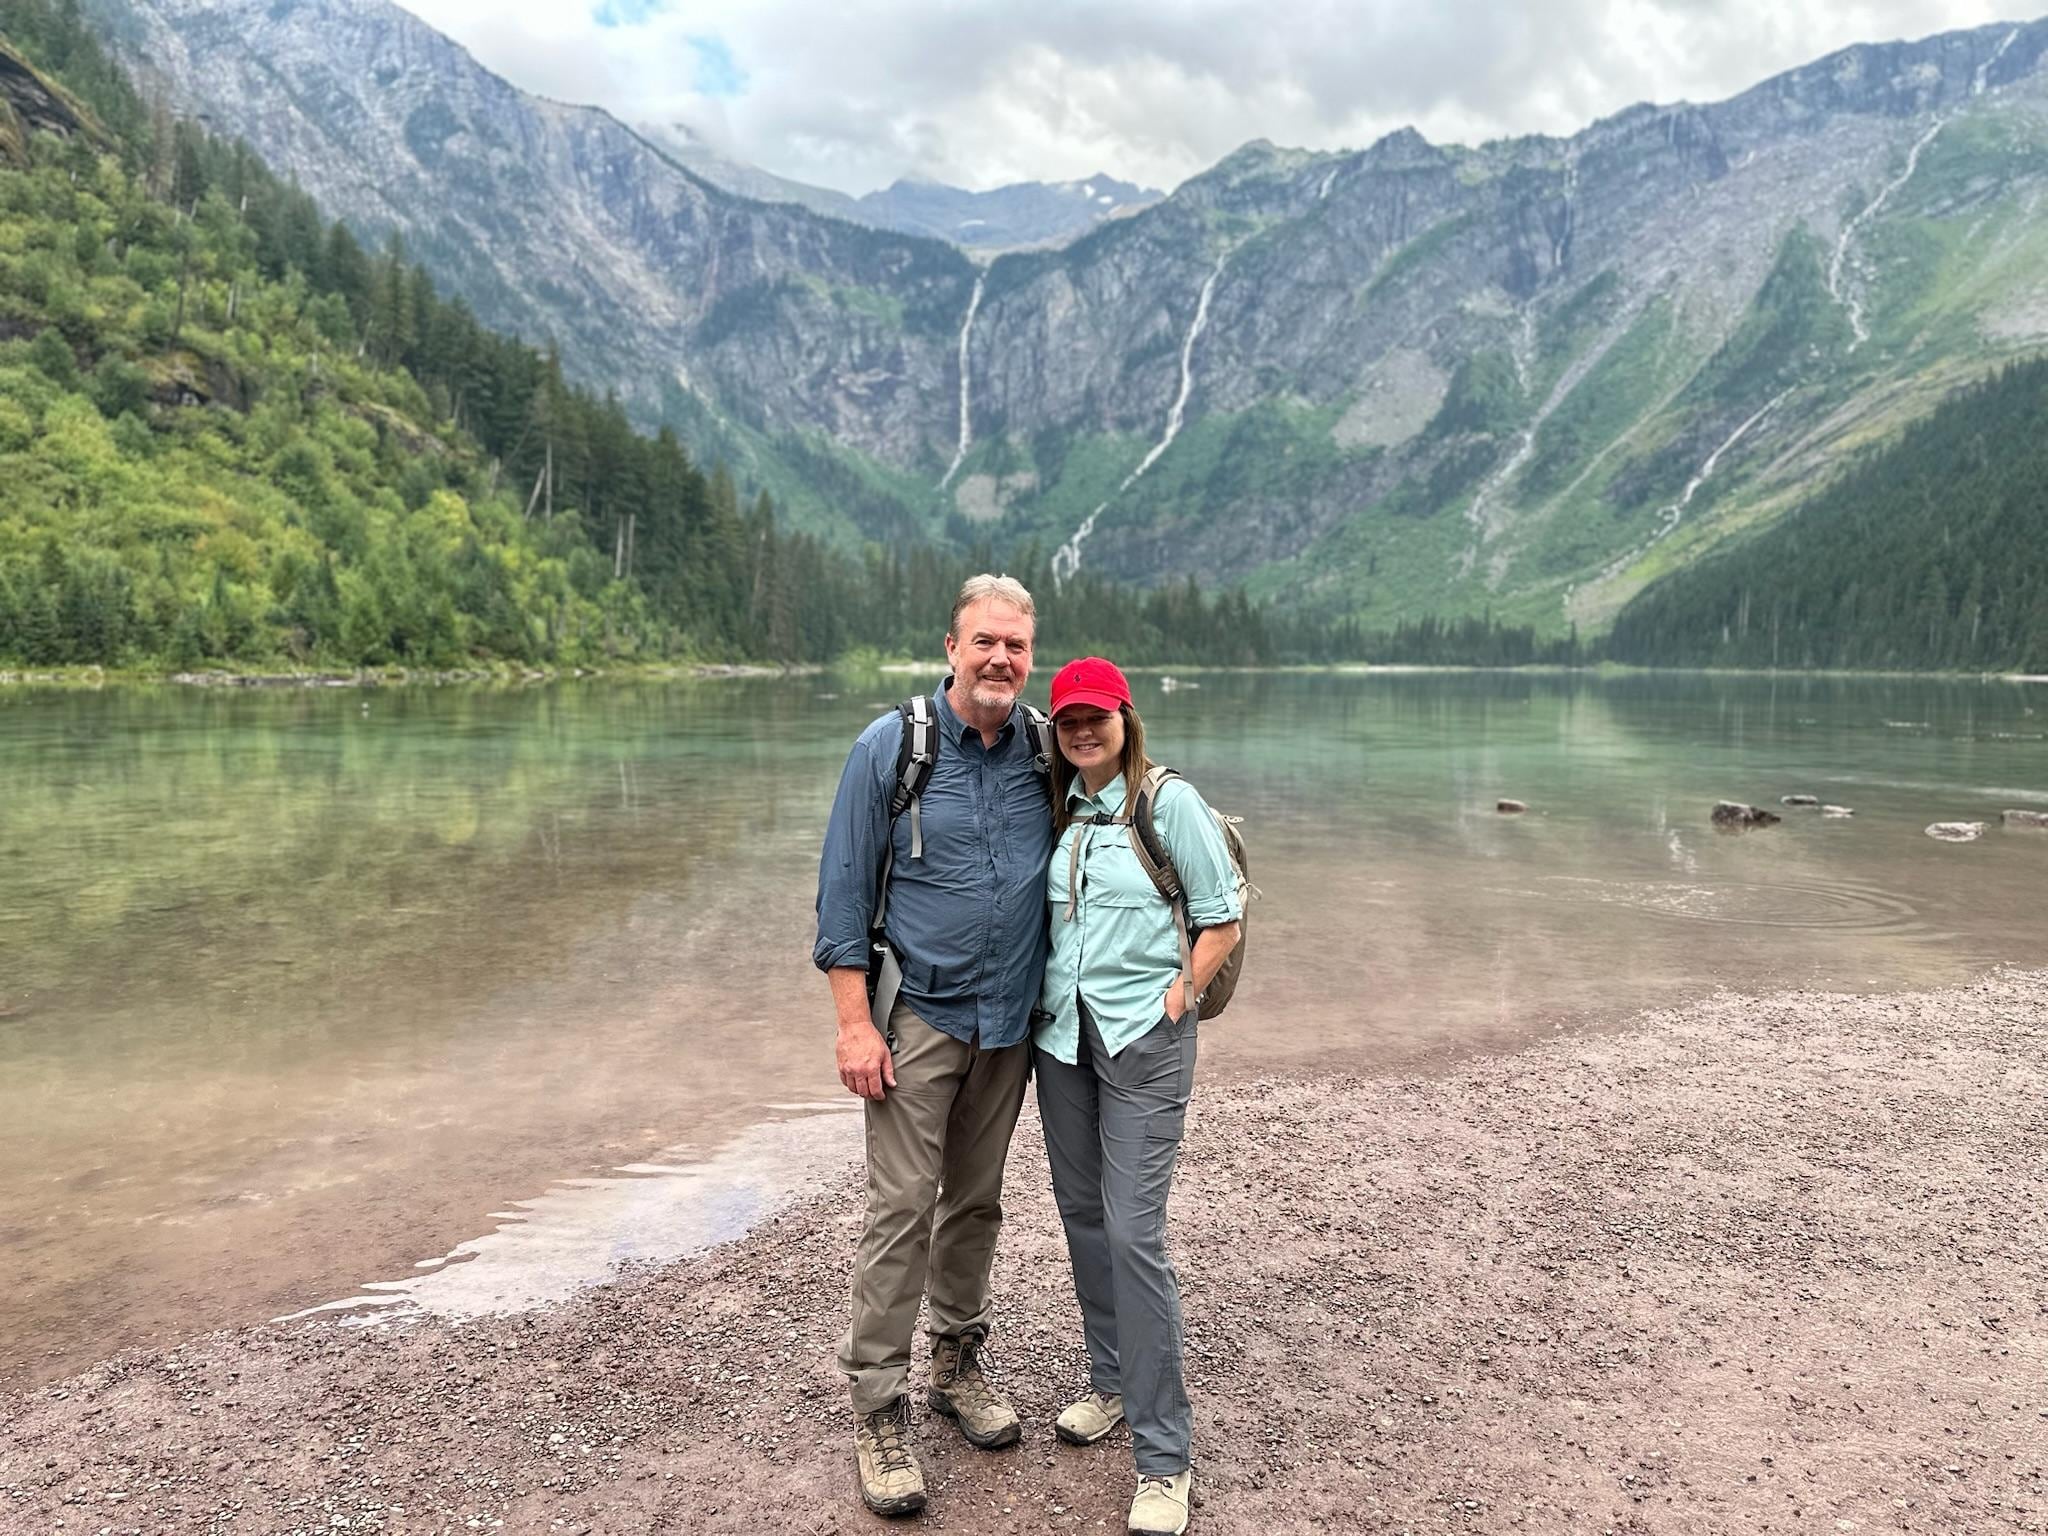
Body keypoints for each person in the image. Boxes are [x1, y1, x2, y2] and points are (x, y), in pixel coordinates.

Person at [812, 574, 1056, 1518]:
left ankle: (957, 1364)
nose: (1001, 659)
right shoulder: (894, 748)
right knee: (903, 1204)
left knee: (978, 1201)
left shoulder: (1042, 752)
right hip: (919, 1019)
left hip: (1011, 1023)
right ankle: (878, 1405)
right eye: (984, 642)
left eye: (1017, 647)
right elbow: (841, 898)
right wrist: (852, 1023)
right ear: (950, 649)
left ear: (1030, 658)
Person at [1033, 657, 1243, 1536]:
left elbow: (1222, 914)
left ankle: (1164, 1458)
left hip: (1144, 1042)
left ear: (1126, 717)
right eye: (1069, 720)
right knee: (1083, 1214)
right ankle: (1111, 1383)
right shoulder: (1064, 809)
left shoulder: (1168, 804)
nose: (1083, 731)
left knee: (1134, 1232)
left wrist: (1177, 997)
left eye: (1097, 717)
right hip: (1063, 1040)